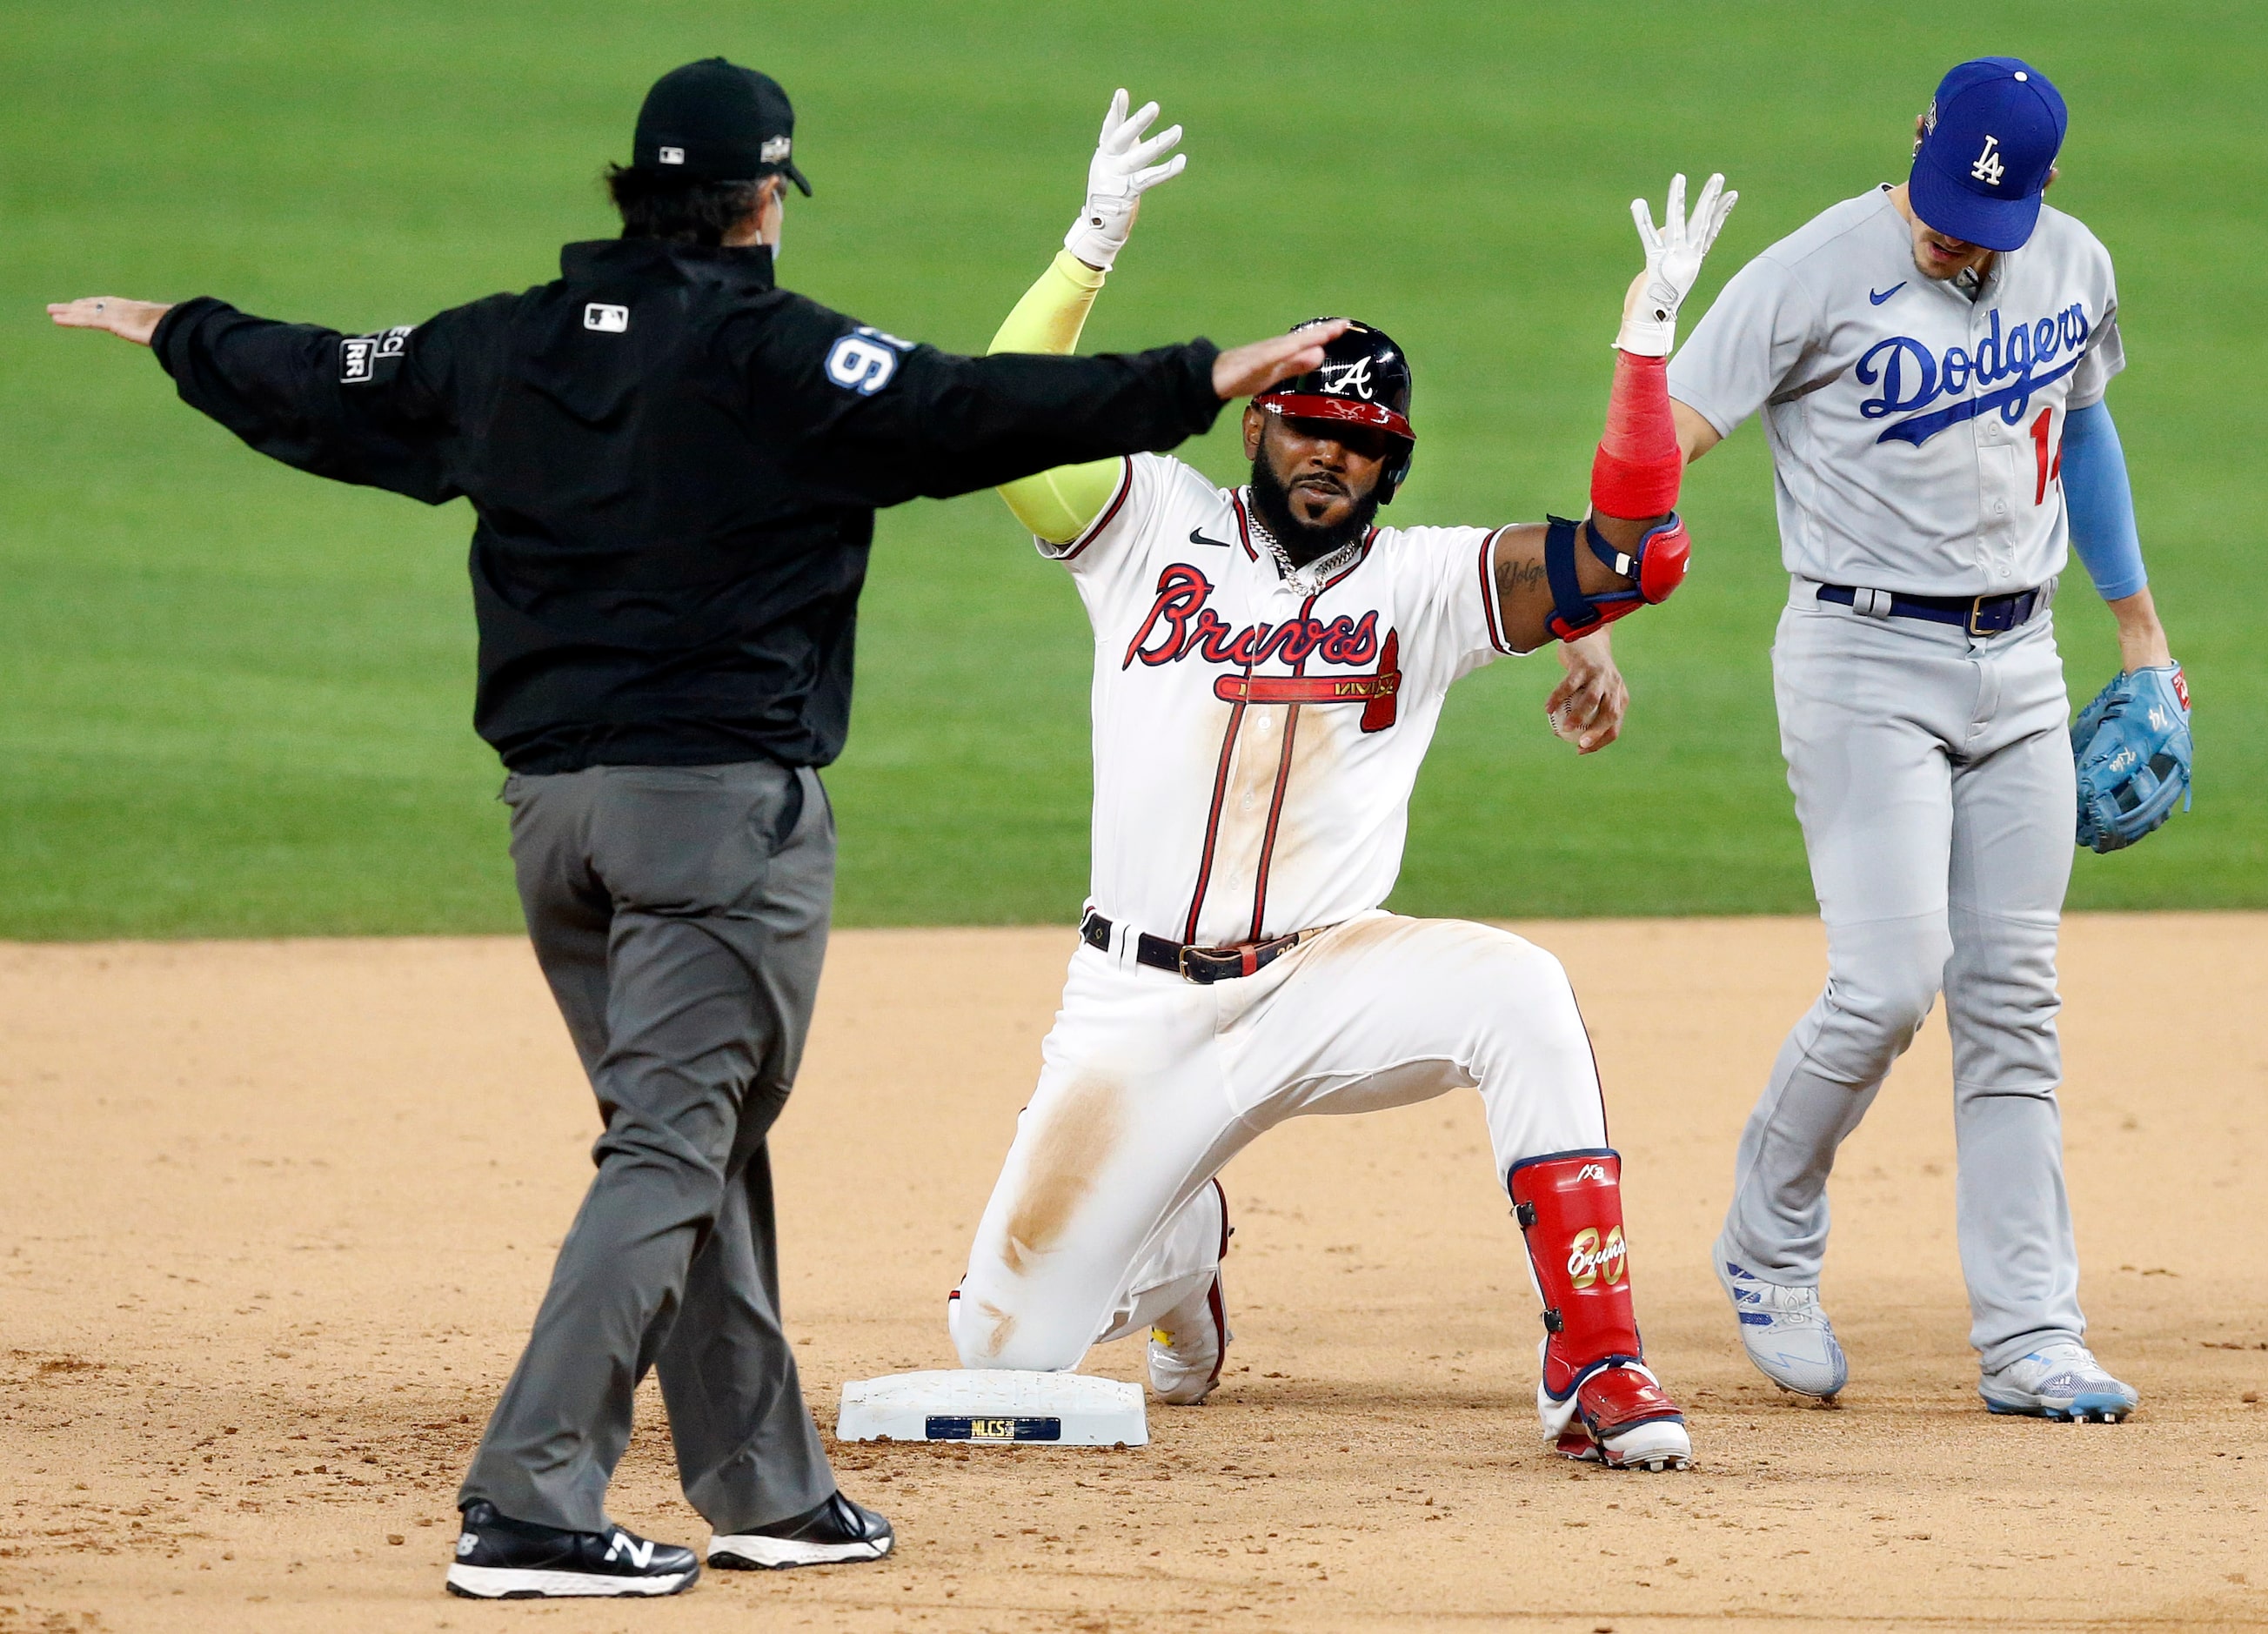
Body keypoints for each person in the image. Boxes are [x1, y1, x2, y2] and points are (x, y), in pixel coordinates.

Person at [48, 60, 1340, 1598]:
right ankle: (529, 1502)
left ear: (632, 191)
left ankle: (764, 1485)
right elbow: (964, 408)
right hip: (716, 826)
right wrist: (1199, 374)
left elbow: (327, 375)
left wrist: (179, 332)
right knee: (673, 1142)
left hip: (556, 827)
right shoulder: (778, 352)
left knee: (700, 1133)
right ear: (762, 201)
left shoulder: (507, 342)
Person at [939, 95, 1740, 1472]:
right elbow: (1001, 418)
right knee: (999, 1358)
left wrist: (1644, 345)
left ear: (1392, 465)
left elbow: (1629, 559)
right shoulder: (1144, 522)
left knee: (1520, 990)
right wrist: (1092, 239)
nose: (1334, 456)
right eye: (1311, 427)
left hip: (1324, 976)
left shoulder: (1422, 581)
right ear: (1256, 424)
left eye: (1365, 444)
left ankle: (1596, 1355)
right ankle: (1179, 1250)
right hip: (1133, 1005)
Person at [1669, 57, 2182, 1423]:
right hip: (1861, 658)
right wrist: (1599, 598)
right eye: (1947, 202)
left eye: (1989, 217)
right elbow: (1669, 428)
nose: (1959, 234)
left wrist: (2143, 634)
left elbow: (2085, 431)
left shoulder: (2069, 263)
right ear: (1919, 142)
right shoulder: (1815, 269)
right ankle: (1767, 1238)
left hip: (2020, 664)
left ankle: (2032, 1334)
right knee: (1890, 983)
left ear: (2047, 189)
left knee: (2015, 1003)